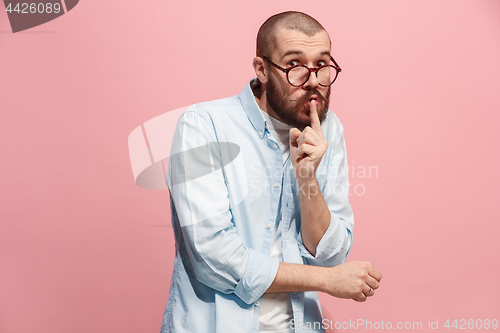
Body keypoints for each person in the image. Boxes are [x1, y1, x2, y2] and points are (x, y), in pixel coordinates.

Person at [161, 11, 382, 333]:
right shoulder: (204, 126)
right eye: (294, 65)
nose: (313, 81)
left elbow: (330, 254)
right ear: (262, 69)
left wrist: (307, 179)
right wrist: (327, 281)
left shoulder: (329, 129)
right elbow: (213, 257)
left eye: (321, 65)